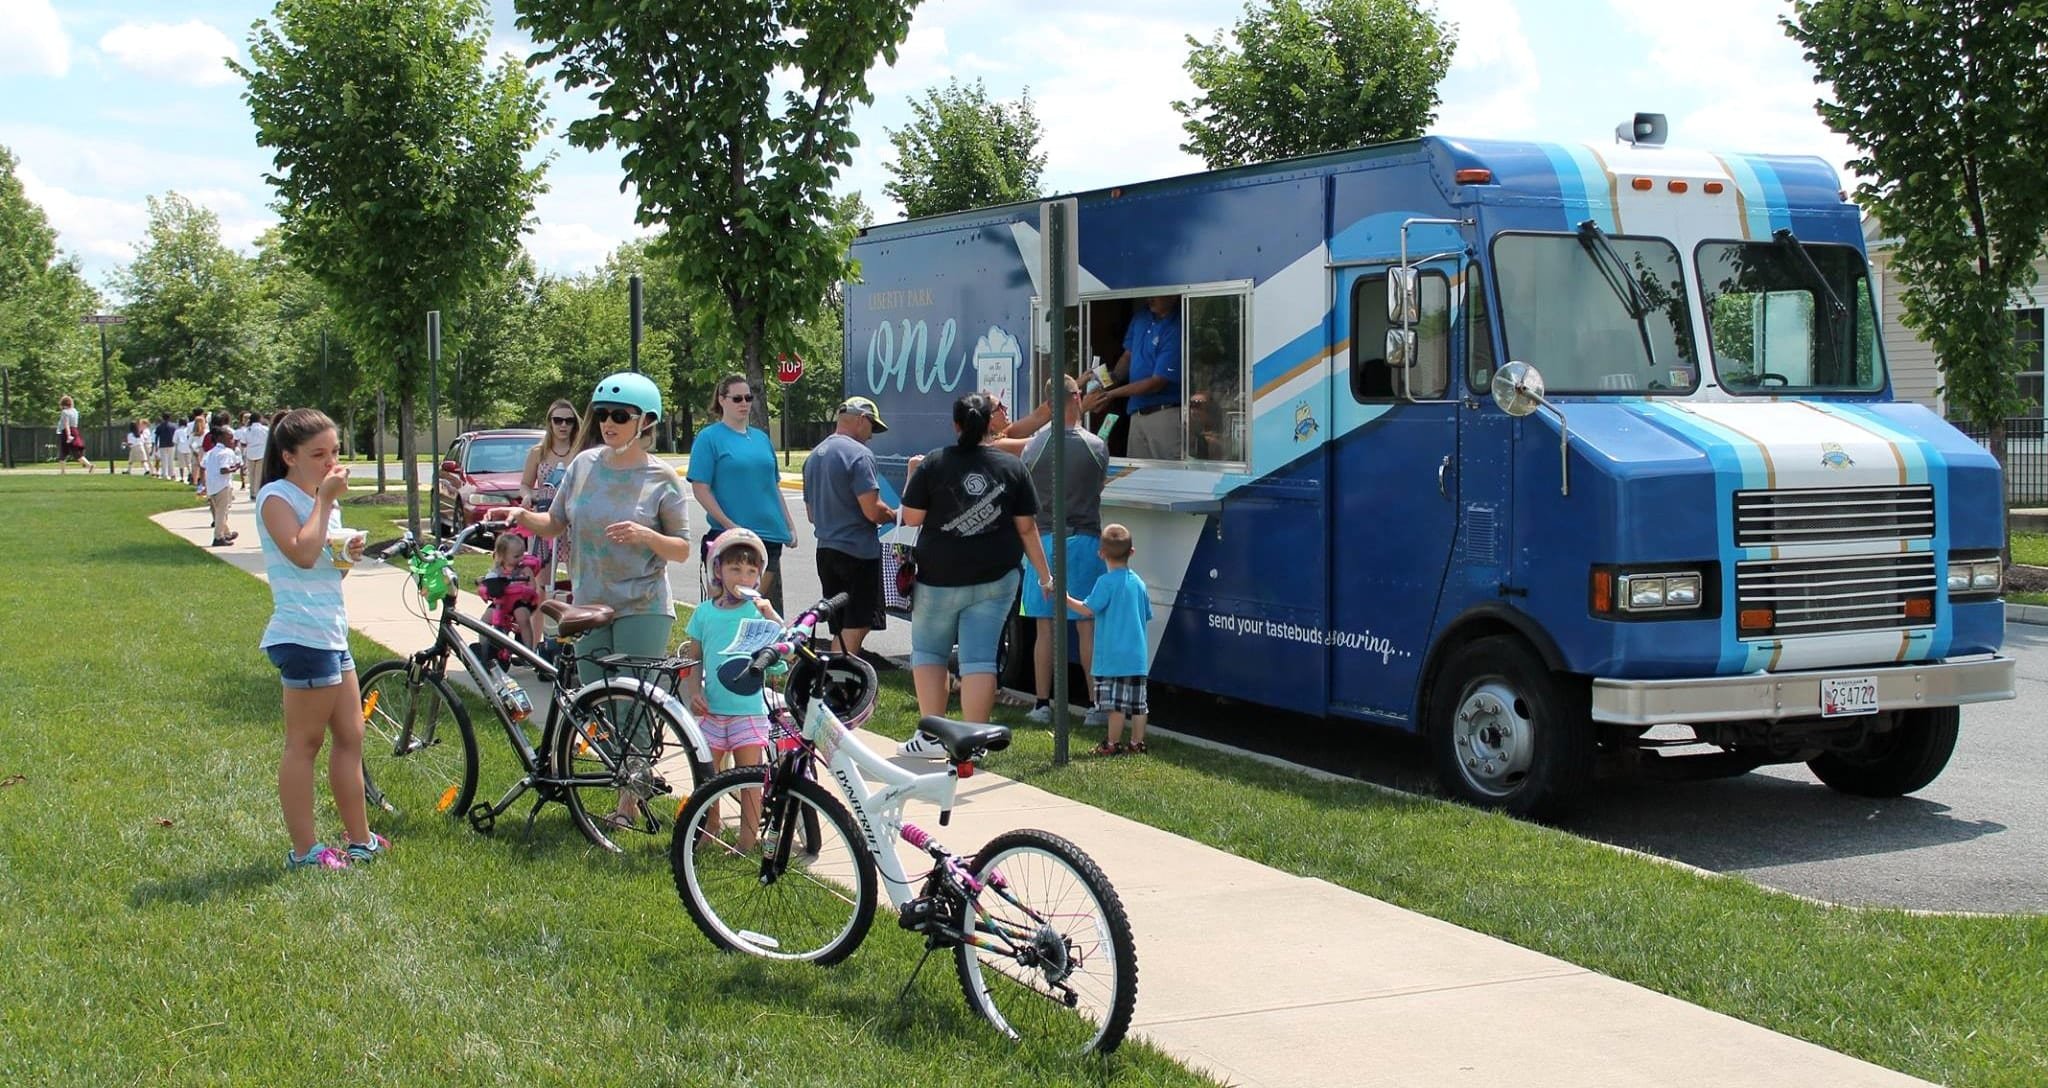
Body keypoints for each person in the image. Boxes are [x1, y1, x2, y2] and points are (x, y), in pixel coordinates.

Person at [490, 372, 690, 686]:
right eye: (602, 414)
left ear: (647, 421)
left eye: (620, 416)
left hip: (642, 604)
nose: (608, 423)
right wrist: (522, 516)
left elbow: (681, 549)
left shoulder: (662, 477)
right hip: (588, 603)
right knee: (594, 703)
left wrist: (646, 535)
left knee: (631, 708)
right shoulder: (583, 465)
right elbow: (555, 524)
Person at [254, 408, 383, 870]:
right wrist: (325, 502)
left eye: (335, 452)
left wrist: (348, 554)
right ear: (288, 456)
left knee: (351, 735)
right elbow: (303, 555)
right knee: (303, 744)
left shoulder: (322, 499)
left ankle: (360, 837)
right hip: (301, 636)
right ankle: (306, 851)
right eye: (318, 454)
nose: (331, 463)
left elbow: (329, 571)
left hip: (330, 632)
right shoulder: (276, 497)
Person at [896, 393, 1054, 758]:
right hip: (996, 580)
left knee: (930, 654)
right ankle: (974, 741)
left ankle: (931, 738)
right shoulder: (1012, 469)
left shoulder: (934, 464)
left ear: (956, 425)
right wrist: (1045, 578)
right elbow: (1028, 529)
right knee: (980, 659)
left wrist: (911, 475)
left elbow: (912, 519)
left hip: (938, 578)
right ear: (989, 425)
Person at [1018, 374, 1111, 726]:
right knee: (1086, 625)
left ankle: (1042, 704)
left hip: (1042, 542)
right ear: (1076, 398)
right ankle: (1094, 706)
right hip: (1085, 540)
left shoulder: (1033, 446)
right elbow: (1098, 485)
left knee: (1045, 629)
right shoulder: (1096, 445)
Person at [681, 528, 783, 850]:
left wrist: (772, 617)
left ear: (759, 577)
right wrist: (693, 691)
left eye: (751, 571)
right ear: (718, 571)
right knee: (708, 776)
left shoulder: (757, 612)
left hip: (748, 713)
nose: (744, 576)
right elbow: (693, 660)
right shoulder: (704, 613)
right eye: (735, 568)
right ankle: (710, 829)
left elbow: (784, 651)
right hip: (712, 710)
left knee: (749, 780)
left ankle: (746, 842)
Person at [688, 373, 800, 616]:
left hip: (769, 538)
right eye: (737, 398)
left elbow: (773, 486)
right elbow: (700, 488)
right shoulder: (709, 438)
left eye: (748, 398)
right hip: (728, 539)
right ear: (721, 400)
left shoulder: (761, 438)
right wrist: (730, 526)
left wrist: (790, 526)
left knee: (752, 610)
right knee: (721, 610)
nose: (744, 404)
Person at [802, 396, 897, 659]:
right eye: (872, 428)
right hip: (857, 554)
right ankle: (837, 681)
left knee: (840, 623)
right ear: (861, 420)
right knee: (857, 623)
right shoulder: (859, 455)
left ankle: (836, 676)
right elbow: (872, 509)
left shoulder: (814, 456)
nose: (871, 437)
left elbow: (811, 514)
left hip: (826, 552)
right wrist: (894, 515)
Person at [1062, 524, 1153, 755]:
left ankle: (1112, 744)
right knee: (1138, 704)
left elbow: (1088, 609)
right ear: (1131, 552)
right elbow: (1147, 615)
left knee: (1116, 707)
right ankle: (1137, 743)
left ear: (1101, 553)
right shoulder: (1139, 583)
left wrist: (1065, 598)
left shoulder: (1105, 583)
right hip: (1137, 658)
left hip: (1111, 658)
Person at [1084, 295, 1183, 459]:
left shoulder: (1177, 326)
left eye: (1156, 295)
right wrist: (1110, 380)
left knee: (1169, 475)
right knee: (1135, 474)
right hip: (1136, 414)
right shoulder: (1141, 317)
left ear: (1171, 295)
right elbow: (1127, 356)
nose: (1150, 299)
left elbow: (1156, 383)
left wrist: (1109, 394)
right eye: (1149, 294)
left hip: (1165, 414)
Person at [519, 397, 579, 600]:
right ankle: (540, 630)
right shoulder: (537, 452)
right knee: (541, 584)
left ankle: (576, 623)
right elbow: (525, 484)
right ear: (550, 422)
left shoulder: (581, 452)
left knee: (578, 581)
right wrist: (528, 496)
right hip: (545, 518)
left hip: (572, 521)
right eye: (558, 420)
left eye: (568, 421)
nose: (563, 425)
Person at [478, 532, 544, 652]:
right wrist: (483, 586)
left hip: (521, 601)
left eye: (522, 554)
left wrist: (526, 590)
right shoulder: (498, 569)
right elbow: (489, 580)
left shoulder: (524, 569)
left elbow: (533, 586)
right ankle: (484, 648)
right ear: (503, 556)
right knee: (485, 619)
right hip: (502, 602)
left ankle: (528, 651)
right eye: (516, 556)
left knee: (522, 617)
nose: (520, 558)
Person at [201, 424, 242, 546]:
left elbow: (203, 466)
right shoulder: (226, 452)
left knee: (219, 511)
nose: (232, 441)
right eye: (229, 439)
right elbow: (223, 470)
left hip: (212, 486)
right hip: (222, 485)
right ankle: (218, 537)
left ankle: (226, 533)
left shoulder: (210, 452)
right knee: (222, 512)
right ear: (221, 439)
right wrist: (235, 468)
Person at [55, 395, 91, 473]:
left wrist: (68, 435)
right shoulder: (75, 411)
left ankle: (63, 471)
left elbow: (66, 424)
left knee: (63, 451)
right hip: (75, 431)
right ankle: (89, 465)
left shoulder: (65, 412)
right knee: (76, 452)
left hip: (67, 432)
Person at [242, 411, 270, 495]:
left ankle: (252, 492)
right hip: (261, 453)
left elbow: (243, 443)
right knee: (259, 475)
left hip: (250, 453)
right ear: (260, 419)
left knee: (251, 474)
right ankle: (258, 492)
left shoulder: (247, 430)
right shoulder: (265, 429)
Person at [153, 413, 178, 480]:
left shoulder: (160, 426)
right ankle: (172, 474)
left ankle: (165, 474)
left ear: (163, 418)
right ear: (169, 417)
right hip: (171, 444)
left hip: (163, 444)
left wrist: (156, 445)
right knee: (171, 460)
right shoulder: (173, 426)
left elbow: (157, 436)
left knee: (164, 460)